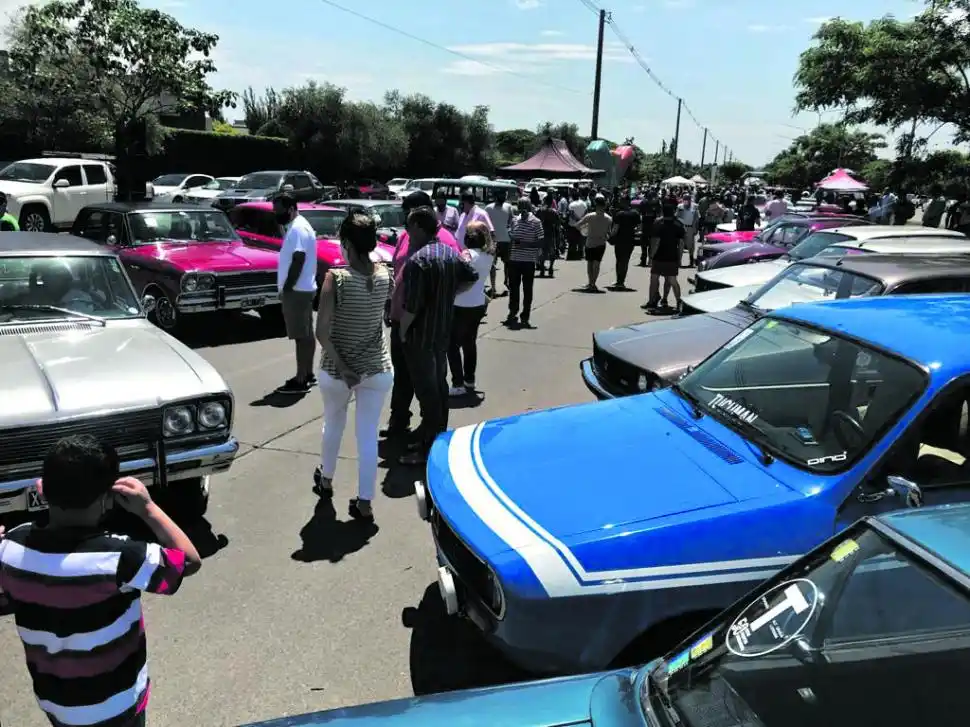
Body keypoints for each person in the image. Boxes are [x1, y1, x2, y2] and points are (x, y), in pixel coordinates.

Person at [0, 434, 201, 727]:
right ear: (107, 498)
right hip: (117, 706)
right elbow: (189, 561)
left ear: (41, 490)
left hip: (57, 705)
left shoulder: (11, 547)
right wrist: (148, 508)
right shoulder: (121, 557)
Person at [313, 212, 393, 523]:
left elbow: (322, 332)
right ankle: (365, 502)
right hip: (377, 367)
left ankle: (326, 479)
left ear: (346, 242)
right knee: (368, 436)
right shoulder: (386, 274)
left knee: (333, 423)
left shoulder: (336, 278)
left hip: (337, 370)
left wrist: (344, 367)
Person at [399, 206, 478, 466]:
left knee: (427, 392)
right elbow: (472, 276)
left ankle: (427, 448)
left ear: (418, 228)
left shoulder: (418, 261)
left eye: (409, 227)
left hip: (420, 336)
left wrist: (402, 331)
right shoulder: (450, 253)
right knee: (439, 387)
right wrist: (450, 293)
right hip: (442, 332)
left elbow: (412, 307)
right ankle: (435, 435)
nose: (407, 233)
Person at [383, 191, 461, 441]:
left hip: (425, 325)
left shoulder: (445, 240)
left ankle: (433, 432)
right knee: (402, 374)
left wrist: (438, 299)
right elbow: (397, 270)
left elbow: (461, 275)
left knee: (431, 382)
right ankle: (399, 421)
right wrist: (390, 303)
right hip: (401, 317)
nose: (405, 220)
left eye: (408, 214)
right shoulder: (406, 236)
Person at [274, 192, 319, 394]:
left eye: (278, 210)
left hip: (297, 290)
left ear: (291, 209)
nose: (276, 214)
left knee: (301, 336)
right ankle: (308, 374)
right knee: (307, 334)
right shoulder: (298, 225)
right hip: (304, 289)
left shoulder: (298, 228)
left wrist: (287, 287)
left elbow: (298, 258)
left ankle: (301, 380)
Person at [448, 220, 494, 396]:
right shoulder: (488, 255)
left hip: (460, 303)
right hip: (478, 303)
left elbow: (461, 271)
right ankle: (469, 379)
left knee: (452, 345)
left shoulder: (467, 254)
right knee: (469, 343)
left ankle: (458, 382)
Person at [506, 197, 544, 328]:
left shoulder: (536, 222)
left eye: (524, 207)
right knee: (513, 289)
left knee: (527, 290)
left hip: (528, 261)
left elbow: (541, 241)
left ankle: (525, 316)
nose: (522, 210)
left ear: (529, 207)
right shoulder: (514, 220)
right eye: (520, 206)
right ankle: (512, 312)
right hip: (514, 260)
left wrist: (525, 244)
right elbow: (511, 237)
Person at [642, 205, 684, 313]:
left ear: (662, 213)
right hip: (672, 257)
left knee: (654, 279)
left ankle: (651, 302)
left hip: (659, 257)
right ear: (673, 212)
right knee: (672, 280)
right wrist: (680, 258)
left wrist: (651, 257)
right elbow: (681, 243)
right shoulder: (678, 224)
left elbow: (656, 242)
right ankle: (679, 302)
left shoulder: (658, 224)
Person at [576, 194, 612, 292]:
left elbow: (578, 225)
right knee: (597, 264)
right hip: (601, 243)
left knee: (590, 263)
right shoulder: (608, 218)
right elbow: (609, 233)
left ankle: (590, 282)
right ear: (604, 205)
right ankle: (593, 283)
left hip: (590, 242)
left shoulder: (589, 216)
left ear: (596, 205)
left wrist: (584, 232)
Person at [484, 190, 513, 297]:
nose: (503, 197)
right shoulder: (488, 208)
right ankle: (493, 287)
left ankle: (507, 281)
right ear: (496, 196)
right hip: (493, 240)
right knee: (491, 265)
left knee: (508, 263)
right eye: (501, 195)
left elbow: (511, 221)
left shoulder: (508, 207)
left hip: (506, 240)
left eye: (504, 195)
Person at [610, 196, 640, 289]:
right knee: (625, 260)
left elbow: (615, 229)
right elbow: (639, 227)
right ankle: (622, 281)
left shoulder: (619, 214)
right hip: (630, 239)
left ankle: (618, 280)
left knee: (619, 260)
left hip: (620, 240)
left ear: (623, 202)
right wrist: (632, 230)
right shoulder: (635, 213)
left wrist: (610, 236)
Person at [535, 195, 561, 277]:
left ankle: (542, 269)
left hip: (541, 234)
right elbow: (558, 224)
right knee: (552, 252)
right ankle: (551, 268)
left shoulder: (540, 211)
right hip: (551, 234)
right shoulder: (554, 212)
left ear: (545, 201)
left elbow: (535, 221)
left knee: (542, 252)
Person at [675, 195, 700, 266]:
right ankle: (679, 261)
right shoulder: (680, 206)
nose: (686, 201)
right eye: (685, 199)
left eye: (688, 199)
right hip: (681, 227)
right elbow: (676, 217)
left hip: (690, 228)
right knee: (680, 245)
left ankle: (691, 261)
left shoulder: (695, 206)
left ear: (690, 200)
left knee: (691, 246)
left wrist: (696, 229)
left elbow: (696, 219)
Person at [638, 192, 661, 266]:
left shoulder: (654, 203)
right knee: (647, 244)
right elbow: (640, 214)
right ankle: (646, 260)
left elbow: (640, 214)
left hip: (649, 225)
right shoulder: (653, 203)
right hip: (649, 225)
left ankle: (647, 260)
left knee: (648, 244)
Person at [566, 187, 588, 260]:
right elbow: (586, 213)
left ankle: (573, 256)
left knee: (573, 241)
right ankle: (580, 255)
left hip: (573, 225)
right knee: (581, 241)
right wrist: (581, 219)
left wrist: (577, 220)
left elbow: (571, 214)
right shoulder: (584, 203)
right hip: (582, 225)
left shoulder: (571, 204)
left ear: (572, 197)